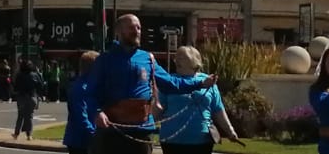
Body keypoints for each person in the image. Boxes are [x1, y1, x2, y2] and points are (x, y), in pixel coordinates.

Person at [87, 14, 217, 154]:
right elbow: (90, 91)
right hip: (112, 131)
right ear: (119, 32)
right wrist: (97, 112)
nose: (136, 31)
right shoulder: (105, 60)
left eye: (139, 28)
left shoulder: (147, 58)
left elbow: (172, 83)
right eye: (131, 27)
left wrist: (201, 83)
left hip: (142, 131)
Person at [158, 45, 241, 154]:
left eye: (182, 57)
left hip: (201, 141)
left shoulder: (208, 82)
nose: (176, 60)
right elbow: (158, 109)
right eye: (176, 57)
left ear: (194, 61)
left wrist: (230, 130)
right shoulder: (170, 82)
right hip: (172, 141)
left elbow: (218, 110)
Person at [61, 51, 98, 154]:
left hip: (87, 138)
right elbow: (80, 116)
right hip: (79, 140)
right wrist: (94, 133)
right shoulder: (80, 88)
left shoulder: (92, 86)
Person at [10, 60, 42, 140]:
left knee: (20, 116)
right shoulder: (35, 75)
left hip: (21, 97)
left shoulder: (19, 76)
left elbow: (16, 87)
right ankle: (29, 135)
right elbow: (40, 85)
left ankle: (16, 134)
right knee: (29, 116)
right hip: (32, 96)